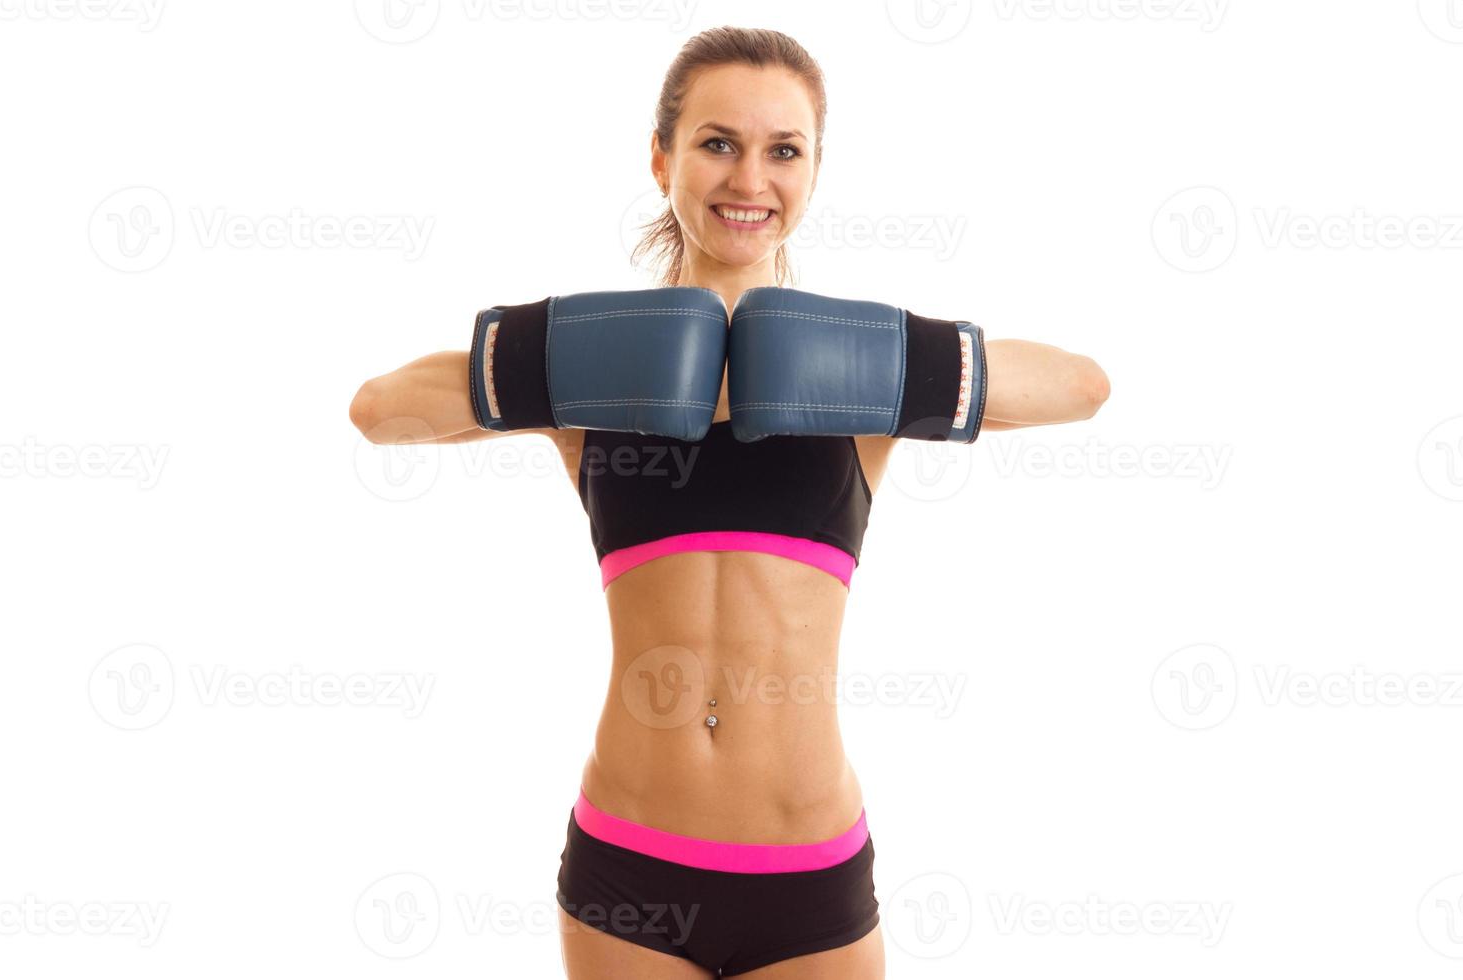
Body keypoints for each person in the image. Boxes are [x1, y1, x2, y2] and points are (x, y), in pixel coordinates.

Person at [349, 26, 1109, 979]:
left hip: (810, 874)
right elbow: (379, 411)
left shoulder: (856, 384)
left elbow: (1082, 387)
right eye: (717, 143)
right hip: (630, 869)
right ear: (662, 156)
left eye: (783, 151)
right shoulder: (595, 377)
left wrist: (848, 356)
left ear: (814, 171)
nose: (750, 178)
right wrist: (570, 349)